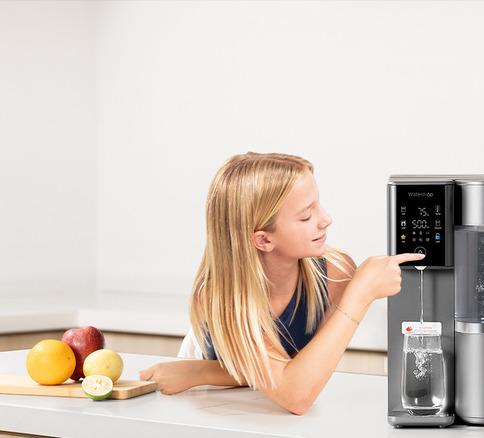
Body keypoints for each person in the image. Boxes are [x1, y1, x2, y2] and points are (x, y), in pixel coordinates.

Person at [139, 152, 424, 414]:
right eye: (306, 215)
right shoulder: (222, 298)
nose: (326, 219)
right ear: (263, 239)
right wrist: (360, 295)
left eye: (318, 205)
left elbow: (297, 374)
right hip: (206, 406)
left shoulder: (333, 272)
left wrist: (201, 371)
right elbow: (295, 395)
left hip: (250, 398)